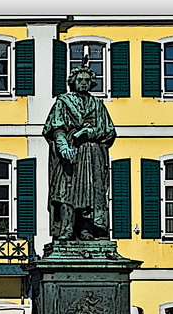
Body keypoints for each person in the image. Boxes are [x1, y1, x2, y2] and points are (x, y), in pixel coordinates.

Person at [43, 63, 117, 240]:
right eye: (79, 79)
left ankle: (86, 230)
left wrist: (90, 132)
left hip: (92, 156)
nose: (83, 83)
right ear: (73, 82)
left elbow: (109, 131)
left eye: (86, 80)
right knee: (65, 191)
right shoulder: (63, 102)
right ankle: (66, 229)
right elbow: (56, 128)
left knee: (90, 193)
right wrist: (63, 147)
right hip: (70, 153)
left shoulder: (97, 104)